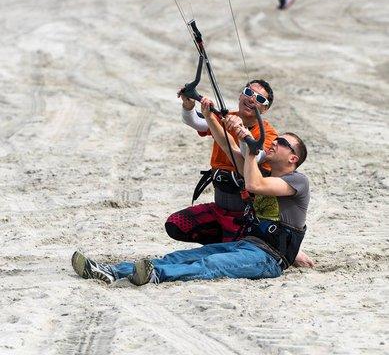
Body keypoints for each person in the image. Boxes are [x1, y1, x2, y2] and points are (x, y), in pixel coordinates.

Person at [71, 101, 310, 285]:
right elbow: (229, 147)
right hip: (245, 244)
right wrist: (209, 116)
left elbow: (253, 185)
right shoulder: (264, 174)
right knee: (179, 257)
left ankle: (155, 275)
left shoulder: (298, 181)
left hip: (267, 259)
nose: (274, 142)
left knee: (210, 264)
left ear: (292, 158)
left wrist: (249, 142)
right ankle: (110, 271)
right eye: (275, 139)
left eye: (282, 142)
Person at [167, 81, 314, 267]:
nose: (252, 98)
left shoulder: (269, 136)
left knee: (224, 255)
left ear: (265, 109)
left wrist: (243, 134)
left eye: (260, 98)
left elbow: (255, 155)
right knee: (176, 224)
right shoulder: (228, 117)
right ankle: (227, 241)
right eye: (248, 92)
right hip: (220, 206)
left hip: (243, 213)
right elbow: (197, 122)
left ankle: (281, 247)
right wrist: (189, 105)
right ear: (240, 95)